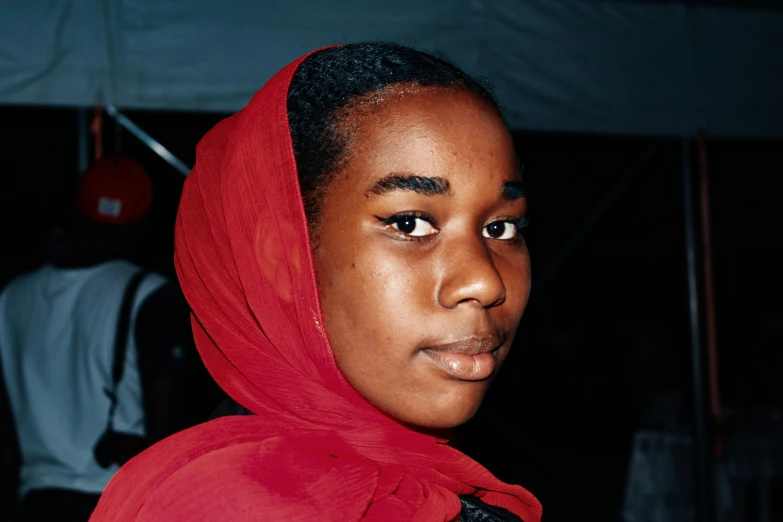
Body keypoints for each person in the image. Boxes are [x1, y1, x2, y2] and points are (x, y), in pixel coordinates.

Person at [90, 43, 542, 521]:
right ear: (284, 260)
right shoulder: (243, 505)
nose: (484, 282)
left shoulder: (429, 487)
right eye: (410, 223)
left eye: (501, 228)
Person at [0, 157, 194, 522]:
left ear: (75, 210)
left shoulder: (12, 295)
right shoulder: (149, 295)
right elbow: (167, 424)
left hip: (35, 499)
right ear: (145, 220)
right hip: (117, 498)